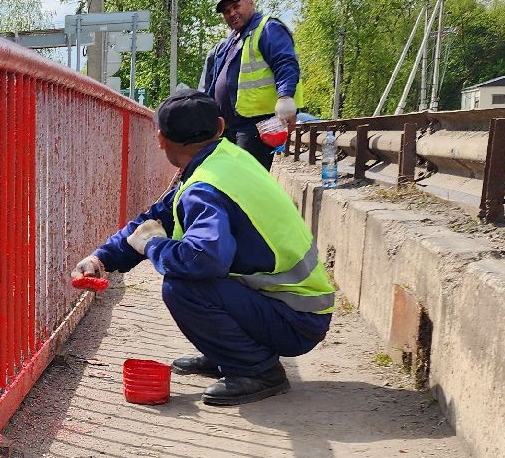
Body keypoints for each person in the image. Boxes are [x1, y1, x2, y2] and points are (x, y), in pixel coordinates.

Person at [73, 89, 333, 405]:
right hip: (299, 309)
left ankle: (257, 369)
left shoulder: (205, 187)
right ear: (221, 127)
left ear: (160, 139)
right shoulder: (225, 160)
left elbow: (204, 260)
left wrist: (153, 246)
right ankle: (227, 353)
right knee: (190, 278)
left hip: (295, 321)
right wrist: (102, 257)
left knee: (182, 286)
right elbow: (159, 217)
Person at [200, 0, 298, 170]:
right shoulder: (230, 41)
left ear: (251, 3)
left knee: (246, 179)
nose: (232, 14)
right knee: (230, 180)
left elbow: (285, 62)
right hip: (230, 126)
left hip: (254, 125)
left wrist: (285, 97)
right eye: (226, 12)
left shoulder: (268, 28)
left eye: (236, 6)